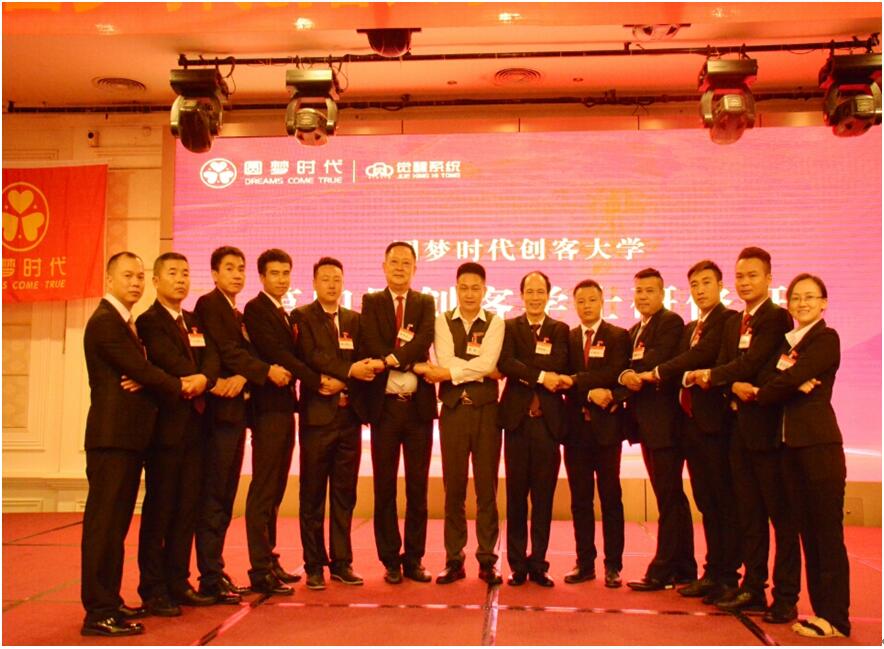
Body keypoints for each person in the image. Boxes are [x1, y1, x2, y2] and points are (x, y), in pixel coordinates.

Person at [80, 251, 200, 637]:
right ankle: (98, 612)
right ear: (109, 279)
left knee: (115, 528)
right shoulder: (105, 322)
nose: (135, 283)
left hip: (130, 440)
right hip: (112, 439)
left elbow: (142, 372)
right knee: (104, 528)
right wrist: (177, 383)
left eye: (138, 276)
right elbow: (142, 370)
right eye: (127, 276)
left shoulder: (125, 323)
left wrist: (147, 378)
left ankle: (109, 601)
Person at [689, 247, 800, 623]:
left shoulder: (776, 317)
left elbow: (754, 363)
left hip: (767, 431)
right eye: (740, 276)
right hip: (737, 430)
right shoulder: (737, 321)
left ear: (769, 278)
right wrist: (727, 382)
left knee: (779, 517)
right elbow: (728, 363)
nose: (745, 282)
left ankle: (785, 595)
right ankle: (752, 586)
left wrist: (714, 377)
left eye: (752, 275)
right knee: (748, 512)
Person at [736, 274, 850, 638]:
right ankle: (821, 614)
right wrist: (787, 385)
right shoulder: (788, 342)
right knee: (807, 535)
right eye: (796, 298)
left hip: (818, 448)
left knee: (826, 535)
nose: (802, 303)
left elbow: (778, 383)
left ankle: (836, 618)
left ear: (823, 303)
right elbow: (779, 379)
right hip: (788, 450)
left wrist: (770, 390)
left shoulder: (826, 338)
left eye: (810, 297)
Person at [637, 260, 740, 603]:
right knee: (706, 501)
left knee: (723, 501)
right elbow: (686, 362)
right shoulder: (691, 326)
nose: (699, 290)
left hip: (715, 424)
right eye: (694, 284)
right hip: (690, 424)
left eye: (706, 282)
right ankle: (712, 572)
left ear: (720, 286)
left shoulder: (728, 320)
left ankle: (728, 576)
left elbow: (701, 356)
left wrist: (657, 373)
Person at [194, 246, 292, 603]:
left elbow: (239, 357)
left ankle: (216, 572)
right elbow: (227, 352)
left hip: (237, 414)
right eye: (229, 269)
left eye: (240, 268)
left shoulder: (234, 312)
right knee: (215, 497)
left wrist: (244, 375)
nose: (237, 275)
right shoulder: (210, 305)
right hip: (219, 415)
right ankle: (210, 575)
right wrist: (264, 372)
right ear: (215, 273)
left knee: (225, 496)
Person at [135, 253, 219, 615]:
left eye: (185, 273)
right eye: (173, 273)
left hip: (197, 428)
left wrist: (205, 378)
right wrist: (196, 378)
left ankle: (178, 581)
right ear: (156, 280)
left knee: (187, 509)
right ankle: (153, 588)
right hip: (165, 431)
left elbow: (212, 358)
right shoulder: (149, 321)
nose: (181, 279)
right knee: (161, 510)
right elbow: (165, 359)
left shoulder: (194, 320)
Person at [414, 262, 505, 586]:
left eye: (475, 288)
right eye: (463, 287)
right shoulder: (442, 321)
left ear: (484, 290)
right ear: (456, 289)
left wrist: (451, 373)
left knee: (486, 489)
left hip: (486, 414)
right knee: (453, 489)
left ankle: (487, 560)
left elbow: (489, 361)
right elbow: (446, 358)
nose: (469, 293)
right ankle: (454, 560)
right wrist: (474, 371)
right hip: (453, 413)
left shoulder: (495, 322)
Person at [242, 249, 323, 595]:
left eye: (286, 273)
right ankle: (259, 569)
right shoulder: (256, 309)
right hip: (267, 410)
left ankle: (270, 557)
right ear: (262, 277)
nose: (281, 279)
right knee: (263, 489)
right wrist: (316, 379)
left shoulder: (282, 312)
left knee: (275, 488)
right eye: (274, 273)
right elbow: (279, 355)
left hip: (284, 407)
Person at [295, 257, 375, 590]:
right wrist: (349, 373)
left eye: (337, 278)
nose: (332, 284)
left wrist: (346, 380)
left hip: (348, 418)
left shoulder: (355, 320)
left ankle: (342, 562)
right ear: (315, 282)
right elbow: (310, 355)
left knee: (344, 494)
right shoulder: (301, 317)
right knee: (312, 494)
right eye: (325, 278)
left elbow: (363, 361)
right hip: (317, 419)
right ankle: (314, 564)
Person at [359, 242, 437, 584]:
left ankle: (414, 558)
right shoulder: (371, 301)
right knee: (385, 486)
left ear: (415, 268)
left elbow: (423, 341)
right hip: (386, 409)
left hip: (417, 409)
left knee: (418, 488)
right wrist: (402, 360)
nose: (400, 268)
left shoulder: (425, 302)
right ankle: (390, 559)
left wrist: (390, 360)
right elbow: (370, 342)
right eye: (395, 262)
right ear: (384, 266)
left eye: (407, 263)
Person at [617, 268, 695, 591]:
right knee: (669, 496)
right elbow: (625, 365)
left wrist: (627, 374)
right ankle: (684, 567)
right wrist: (623, 376)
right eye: (639, 291)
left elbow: (656, 360)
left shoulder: (670, 322)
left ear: (662, 294)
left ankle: (663, 569)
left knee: (669, 496)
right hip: (646, 425)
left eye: (650, 290)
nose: (643, 296)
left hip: (665, 426)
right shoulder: (635, 330)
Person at [498, 271, 570, 588]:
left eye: (540, 291)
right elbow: (506, 363)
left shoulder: (560, 329)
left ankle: (539, 563)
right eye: (530, 291)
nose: (535, 297)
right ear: (522, 295)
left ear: (548, 295)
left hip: (547, 425)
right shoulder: (509, 327)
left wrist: (525, 368)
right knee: (516, 497)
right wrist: (540, 376)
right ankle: (517, 565)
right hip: (517, 423)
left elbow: (560, 362)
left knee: (543, 498)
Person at [562, 279, 630, 589]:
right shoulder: (568, 338)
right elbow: (565, 381)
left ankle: (613, 565)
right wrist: (589, 392)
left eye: (592, 300)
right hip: (575, 431)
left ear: (602, 301)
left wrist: (583, 383)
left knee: (611, 497)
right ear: (574, 304)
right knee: (580, 500)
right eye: (581, 301)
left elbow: (617, 374)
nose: (586, 305)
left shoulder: (618, 335)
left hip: (607, 430)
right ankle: (584, 563)